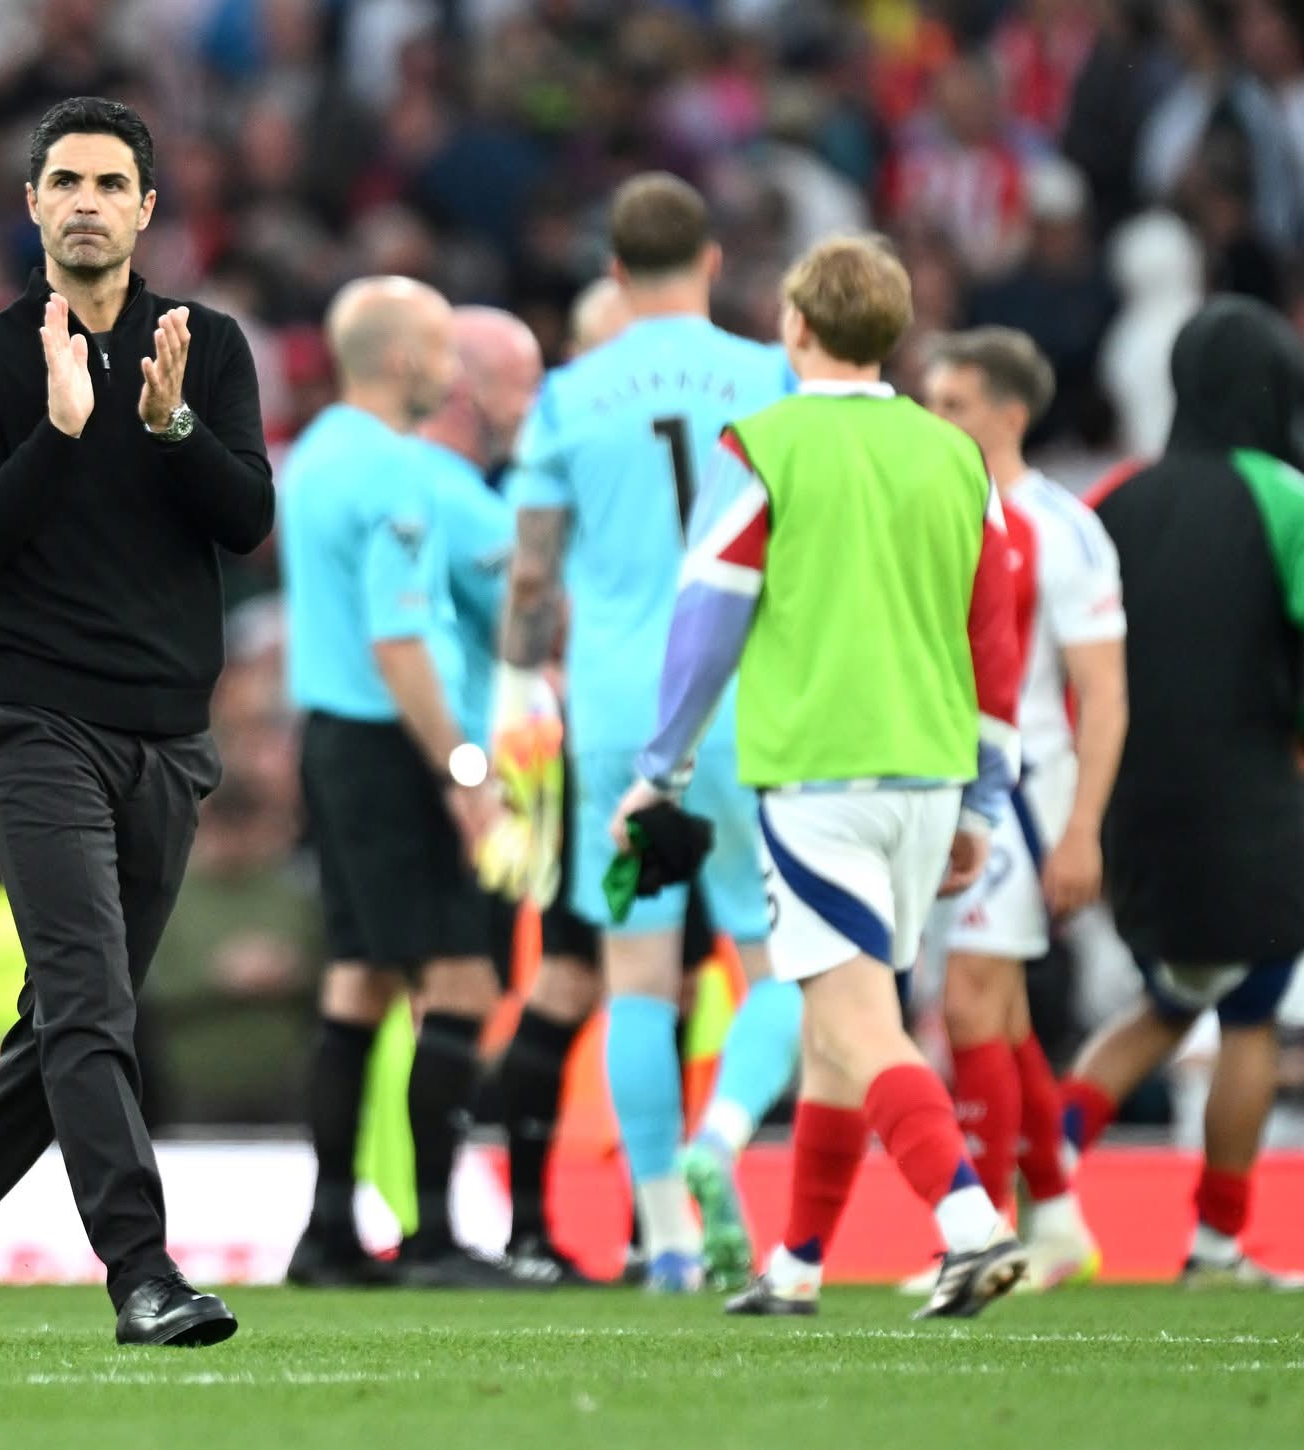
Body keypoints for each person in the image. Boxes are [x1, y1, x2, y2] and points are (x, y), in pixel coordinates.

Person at [0, 96, 273, 1349]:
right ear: (32, 205)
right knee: (92, 1005)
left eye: (110, 183)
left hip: (168, 733)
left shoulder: (202, 349)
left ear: (146, 209)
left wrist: (170, 426)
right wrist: (55, 435)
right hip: (33, 718)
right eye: (66, 182)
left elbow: (245, 521)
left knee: (65, 1019)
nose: (87, 202)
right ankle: (141, 1273)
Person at [614, 234, 1029, 1321]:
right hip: (929, 774)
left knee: (851, 1024)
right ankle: (795, 1262)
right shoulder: (954, 455)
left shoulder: (764, 444)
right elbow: (996, 635)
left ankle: (970, 1224)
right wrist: (985, 799)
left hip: (818, 773)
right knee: (832, 1029)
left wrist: (660, 768)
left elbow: (709, 615)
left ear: (794, 326)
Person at [1060, 295, 1304, 1288]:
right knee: (1253, 1006)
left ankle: (1036, 1193)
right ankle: (1216, 1241)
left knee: (1170, 999)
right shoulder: (1289, 500)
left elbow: (1055, 647)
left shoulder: (1110, 499)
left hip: (1126, 803)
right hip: (1249, 796)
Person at [500, 174, 799, 1293]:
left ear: (614, 273)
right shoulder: (771, 377)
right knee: (777, 963)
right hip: (746, 704)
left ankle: (666, 1234)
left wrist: (515, 692)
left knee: (637, 978)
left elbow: (532, 576)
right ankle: (724, 1133)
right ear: (712, 261)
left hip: (620, 715)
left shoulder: (570, 395)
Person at [281, 276, 513, 1290]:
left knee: (360, 978)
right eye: (443, 350)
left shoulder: (316, 455)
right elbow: (400, 642)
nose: (453, 373)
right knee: (460, 981)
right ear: (404, 359)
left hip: (334, 739)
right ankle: (431, 1235)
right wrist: (462, 766)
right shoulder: (393, 471)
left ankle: (330, 1230)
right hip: (394, 745)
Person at [915, 327, 1126, 1292]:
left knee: (970, 1001)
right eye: (930, 402)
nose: (935, 419)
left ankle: (982, 1232)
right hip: (936, 789)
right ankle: (1061, 1220)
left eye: (954, 404)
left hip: (1020, 796)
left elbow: (1104, 694)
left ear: (1011, 413)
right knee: (997, 1016)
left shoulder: (1062, 530)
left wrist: (1081, 830)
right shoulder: (929, 509)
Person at [409, 305, 601, 1284]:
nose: (534, 403)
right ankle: (469, 1230)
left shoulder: (413, 480)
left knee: (477, 981)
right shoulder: (468, 499)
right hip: (485, 765)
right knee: (502, 977)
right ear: (465, 385)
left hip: (461, 758)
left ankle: (447, 1226)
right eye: (520, 382)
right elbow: (538, 613)